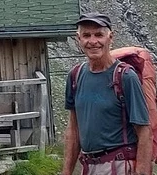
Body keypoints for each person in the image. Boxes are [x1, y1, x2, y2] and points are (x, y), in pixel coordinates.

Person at [60, 14, 151, 175]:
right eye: (87, 35)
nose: (93, 41)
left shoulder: (125, 77)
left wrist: (141, 172)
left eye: (99, 35)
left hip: (119, 166)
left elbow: (144, 130)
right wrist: (66, 172)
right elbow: (73, 129)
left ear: (111, 38)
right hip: (89, 166)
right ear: (78, 39)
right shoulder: (75, 76)